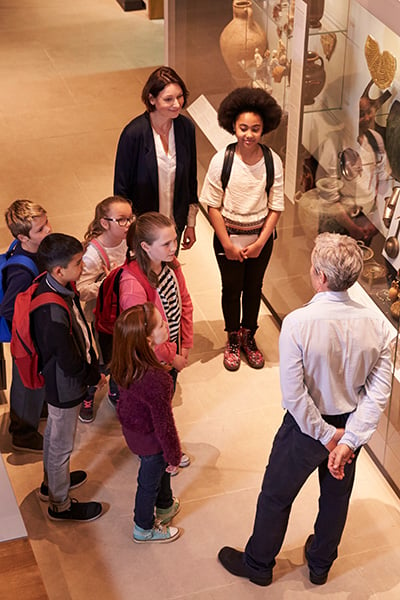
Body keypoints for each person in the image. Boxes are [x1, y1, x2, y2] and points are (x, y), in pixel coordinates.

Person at [218, 232, 393, 587]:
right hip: (349, 427)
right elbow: (378, 392)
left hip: (306, 428)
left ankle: (259, 563)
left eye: (313, 266)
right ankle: (320, 565)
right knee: (335, 498)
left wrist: (326, 436)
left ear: (322, 277)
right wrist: (348, 440)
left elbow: (295, 396)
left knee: (276, 495)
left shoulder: (299, 323)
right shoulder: (379, 326)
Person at [200, 87, 284, 372]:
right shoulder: (221, 160)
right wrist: (227, 244)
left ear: (265, 129)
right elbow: (212, 205)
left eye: (255, 129)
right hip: (228, 239)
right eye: (243, 128)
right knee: (231, 289)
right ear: (232, 126)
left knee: (254, 288)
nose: (249, 135)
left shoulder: (273, 161)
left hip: (260, 240)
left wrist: (260, 242)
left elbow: (276, 206)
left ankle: (250, 337)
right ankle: (232, 338)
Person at [31, 233, 106, 521]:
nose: (82, 267)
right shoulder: (51, 309)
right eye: (78, 263)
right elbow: (68, 357)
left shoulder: (54, 285)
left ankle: (51, 483)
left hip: (62, 382)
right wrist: (91, 376)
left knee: (54, 433)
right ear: (59, 270)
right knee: (61, 443)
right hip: (65, 386)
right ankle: (60, 504)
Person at [119, 212, 193, 474]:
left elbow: (185, 304)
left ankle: (163, 446)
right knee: (156, 411)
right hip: (153, 362)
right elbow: (144, 337)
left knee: (164, 403)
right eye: (166, 244)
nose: (174, 248)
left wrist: (184, 346)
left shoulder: (171, 265)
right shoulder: (133, 286)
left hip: (171, 352)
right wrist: (173, 359)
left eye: (174, 240)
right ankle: (157, 451)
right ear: (145, 247)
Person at [110, 303, 182, 543]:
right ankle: (143, 527)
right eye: (161, 324)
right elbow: (165, 424)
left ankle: (165, 505)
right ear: (148, 340)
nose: (166, 325)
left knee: (156, 471)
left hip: (134, 431)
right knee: (148, 482)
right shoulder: (156, 379)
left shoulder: (125, 362)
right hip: (150, 439)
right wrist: (174, 455)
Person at [114, 65, 199, 251]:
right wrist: (128, 231)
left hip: (173, 227)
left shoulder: (186, 129)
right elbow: (121, 190)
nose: (177, 104)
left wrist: (190, 223)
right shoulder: (133, 134)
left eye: (180, 96)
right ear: (152, 99)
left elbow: (191, 180)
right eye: (168, 99)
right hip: (143, 232)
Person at [76, 195, 134, 422]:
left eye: (130, 218)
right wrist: (108, 282)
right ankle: (88, 396)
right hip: (102, 318)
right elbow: (80, 290)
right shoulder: (92, 254)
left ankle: (116, 391)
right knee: (104, 361)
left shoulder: (128, 240)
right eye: (121, 220)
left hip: (125, 311)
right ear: (104, 223)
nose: (128, 225)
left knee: (124, 356)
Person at [0, 199, 52, 452]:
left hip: (34, 332)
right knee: (24, 379)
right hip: (27, 337)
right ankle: (22, 432)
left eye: (46, 224)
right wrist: (31, 327)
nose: (48, 230)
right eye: (40, 229)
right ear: (22, 236)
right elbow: (9, 308)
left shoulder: (34, 250)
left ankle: (37, 409)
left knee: (34, 378)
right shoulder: (21, 269)